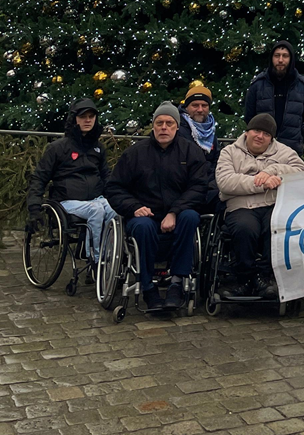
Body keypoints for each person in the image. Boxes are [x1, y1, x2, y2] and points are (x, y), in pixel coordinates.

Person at [105, 102, 210, 313]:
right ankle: (148, 287)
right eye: (159, 123)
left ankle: (177, 283)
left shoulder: (191, 152)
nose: (164, 127)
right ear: (153, 126)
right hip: (144, 214)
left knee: (190, 217)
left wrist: (174, 212)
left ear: (177, 127)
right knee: (143, 227)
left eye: (169, 123)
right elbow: (114, 188)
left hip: (179, 212)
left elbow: (199, 187)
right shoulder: (135, 154)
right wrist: (134, 207)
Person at [214, 113, 304, 299]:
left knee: (275, 227)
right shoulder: (229, 152)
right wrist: (261, 182)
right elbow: (225, 182)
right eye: (256, 131)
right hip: (240, 206)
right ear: (247, 132)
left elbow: (301, 171)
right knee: (245, 229)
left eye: (266, 133)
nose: (260, 136)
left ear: (271, 138)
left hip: (273, 204)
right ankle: (244, 279)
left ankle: (266, 278)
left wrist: (274, 171)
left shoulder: (284, 152)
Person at [26, 99, 116, 264]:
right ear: (75, 119)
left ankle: (111, 257)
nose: (88, 120)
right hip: (66, 201)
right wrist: (34, 208)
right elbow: (40, 177)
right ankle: (95, 259)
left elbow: (106, 176)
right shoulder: (57, 148)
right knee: (96, 210)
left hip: (95, 198)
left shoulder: (98, 148)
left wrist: (118, 197)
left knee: (114, 210)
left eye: (91, 116)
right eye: (83, 117)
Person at [244, 40, 304, 155]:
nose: (280, 60)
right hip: (262, 150)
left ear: (291, 59)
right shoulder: (257, 85)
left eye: (285, 56)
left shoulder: (303, 86)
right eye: (277, 56)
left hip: (291, 150)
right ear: (271, 58)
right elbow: (249, 118)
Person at [180, 80, 224, 167]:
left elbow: (216, 160)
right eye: (195, 105)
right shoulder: (177, 129)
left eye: (204, 106)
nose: (200, 110)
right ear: (187, 107)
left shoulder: (211, 129)